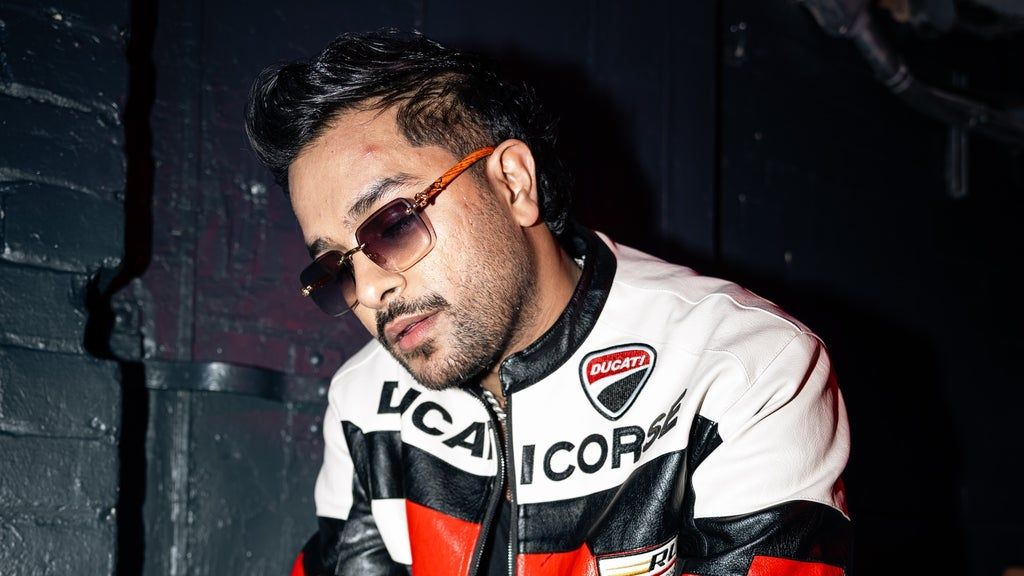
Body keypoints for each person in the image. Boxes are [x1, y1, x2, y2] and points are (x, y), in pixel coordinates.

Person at [245, 28, 852, 576]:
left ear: (513, 183)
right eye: (336, 269)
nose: (371, 291)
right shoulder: (364, 401)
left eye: (392, 224)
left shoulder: (743, 369)